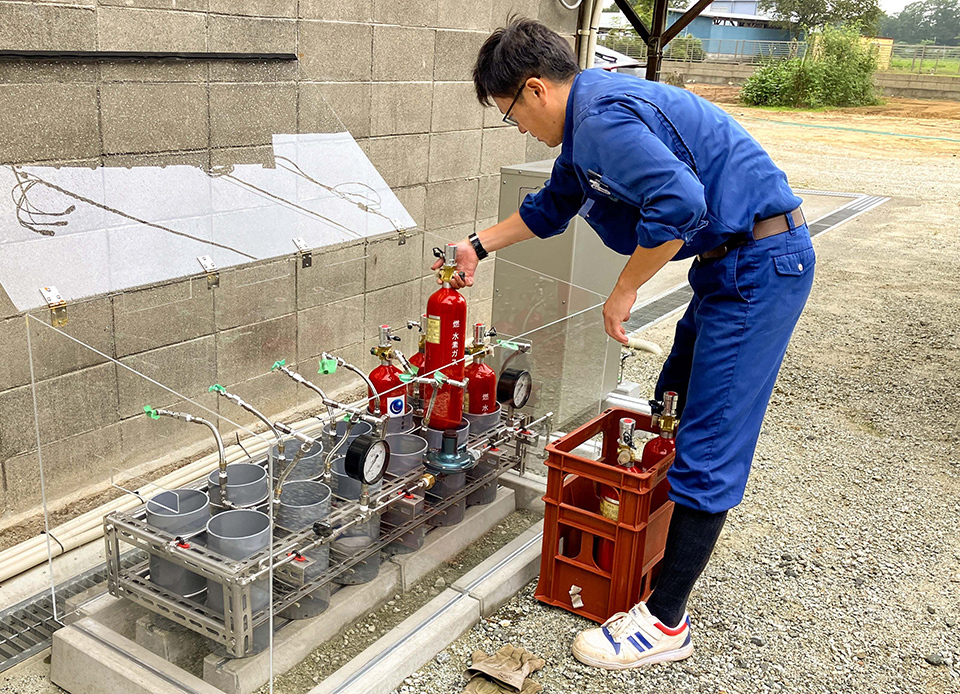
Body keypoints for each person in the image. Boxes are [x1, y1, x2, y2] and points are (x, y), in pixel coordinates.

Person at [432, 17, 816, 670]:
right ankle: (662, 543)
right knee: (674, 395)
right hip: (729, 265)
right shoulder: (588, 124)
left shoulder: (602, 118)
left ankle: (666, 623)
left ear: (535, 89)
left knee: (711, 435)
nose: (518, 128)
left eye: (511, 115)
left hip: (760, 263)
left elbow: (681, 204)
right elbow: (552, 206)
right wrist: (476, 246)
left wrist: (624, 289)